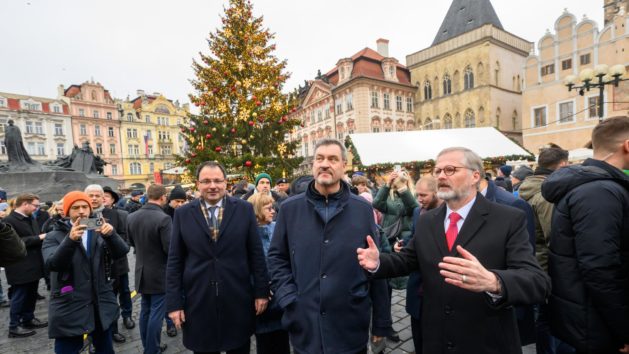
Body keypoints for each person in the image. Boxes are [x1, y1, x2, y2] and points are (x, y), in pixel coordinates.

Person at [357, 147, 551, 354]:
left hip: (486, 340)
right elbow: (409, 260)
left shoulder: (509, 218)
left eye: (450, 170)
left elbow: (537, 281)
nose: (441, 175)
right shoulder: (427, 220)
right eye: (437, 170)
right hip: (436, 339)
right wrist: (379, 262)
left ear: (475, 176)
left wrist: (494, 282)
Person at [268, 138, 391, 354]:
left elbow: (375, 264)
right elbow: (277, 257)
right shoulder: (289, 209)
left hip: (350, 323)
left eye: (333, 159)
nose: (325, 164)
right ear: (313, 164)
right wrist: (289, 299)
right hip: (305, 324)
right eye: (320, 158)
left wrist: (381, 320)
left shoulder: (362, 209)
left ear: (344, 165)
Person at [541, 116, 629, 354]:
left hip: (589, 320)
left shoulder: (597, 186)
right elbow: (600, 266)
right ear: (627, 145)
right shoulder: (600, 191)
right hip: (595, 326)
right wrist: (624, 330)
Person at [166, 161, 269, 354]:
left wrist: (261, 292)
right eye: (206, 181)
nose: (212, 185)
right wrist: (174, 303)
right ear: (198, 184)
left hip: (237, 299)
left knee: (239, 348)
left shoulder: (244, 209)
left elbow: (256, 254)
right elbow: (175, 260)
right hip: (198, 301)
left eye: (217, 180)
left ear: (225, 183)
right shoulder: (182, 214)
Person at [42, 191, 129, 354]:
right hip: (70, 304)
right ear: (67, 211)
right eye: (75, 208)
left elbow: (121, 252)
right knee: (67, 349)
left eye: (85, 207)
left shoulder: (98, 230)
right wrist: (70, 240)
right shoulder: (54, 236)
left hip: (99, 302)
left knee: (105, 349)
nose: (81, 211)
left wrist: (111, 235)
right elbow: (52, 264)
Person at [519, 146, 572, 354]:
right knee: (550, 319)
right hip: (546, 266)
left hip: (534, 261)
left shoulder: (527, 186)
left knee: (544, 317)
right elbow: (555, 238)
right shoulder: (546, 195)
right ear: (562, 165)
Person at [85, 184, 134, 343]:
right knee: (103, 301)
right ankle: (110, 330)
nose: (94, 199)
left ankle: (127, 316)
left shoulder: (117, 214)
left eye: (97, 196)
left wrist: (110, 235)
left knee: (125, 292)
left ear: (102, 198)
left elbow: (124, 241)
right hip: (94, 269)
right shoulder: (82, 215)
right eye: (90, 196)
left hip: (117, 264)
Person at [127, 184, 171, 354]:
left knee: (146, 309)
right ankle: (152, 349)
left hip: (141, 271)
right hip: (160, 272)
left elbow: (131, 242)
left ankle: (148, 346)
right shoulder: (164, 219)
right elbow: (170, 249)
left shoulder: (131, 217)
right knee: (156, 314)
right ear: (162, 197)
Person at [246, 193, 290, 354]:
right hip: (263, 300)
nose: (273, 211)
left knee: (283, 341)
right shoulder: (247, 234)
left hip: (281, 297)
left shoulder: (277, 228)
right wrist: (258, 288)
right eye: (268, 208)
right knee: (265, 343)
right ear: (257, 210)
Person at [406, 175, 443, 353]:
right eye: (417, 195)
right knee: (418, 338)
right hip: (417, 288)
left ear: (437, 193)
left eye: (423, 195)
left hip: (439, 290)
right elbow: (413, 236)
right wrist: (404, 245)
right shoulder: (416, 212)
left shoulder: (447, 214)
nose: (419, 200)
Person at [3, 193, 47, 338]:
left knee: (31, 294)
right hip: (19, 266)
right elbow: (14, 243)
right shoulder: (9, 220)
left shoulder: (30, 218)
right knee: (19, 296)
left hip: (33, 263)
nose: (37, 208)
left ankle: (28, 319)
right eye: (35, 205)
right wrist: (39, 237)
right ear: (25, 204)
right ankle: (14, 327)